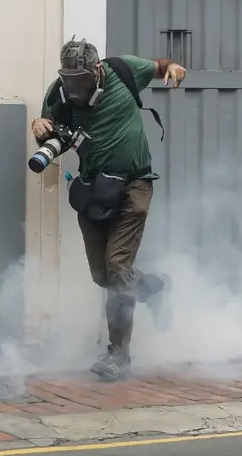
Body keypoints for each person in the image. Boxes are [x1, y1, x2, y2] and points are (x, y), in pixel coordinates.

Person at [32, 37, 186, 381]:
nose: (75, 88)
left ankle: (119, 354)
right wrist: (38, 127)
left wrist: (172, 67)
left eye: (82, 80)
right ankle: (154, 287)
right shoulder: (58, 93)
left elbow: (160, 66)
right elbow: (50, 136)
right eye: (70, 80)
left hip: (134, 185)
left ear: (97, 71)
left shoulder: (123, 69)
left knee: (117, 268)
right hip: (93, 190)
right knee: (102, 275)